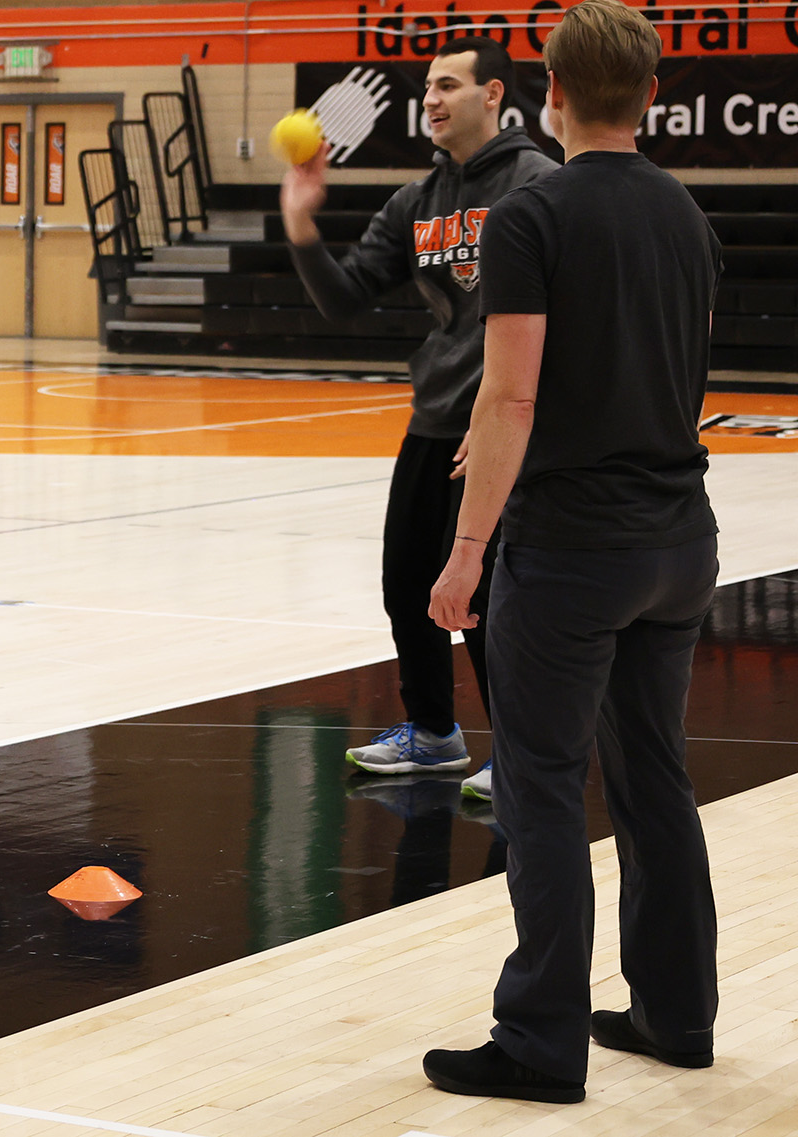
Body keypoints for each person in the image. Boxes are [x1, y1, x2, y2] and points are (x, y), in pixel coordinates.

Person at [423, 0, 720, 1102]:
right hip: (677, 543)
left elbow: (509, 397)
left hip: (570, 551)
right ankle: (675, 1014)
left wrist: (464, 554)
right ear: (649, 93)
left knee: (540, 789)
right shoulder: (686, 218)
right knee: (654, 783)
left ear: (547, 90)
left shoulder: (528, 215)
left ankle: (538, 1040)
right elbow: (645, 376)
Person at [282, 37, 557, 792]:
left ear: (494, 94)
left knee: (489, 600)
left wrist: (512, 409)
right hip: (433, 419)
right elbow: (343, 298)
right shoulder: (416, 201)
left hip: (502, 430)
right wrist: (302, 223)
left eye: (447, 86)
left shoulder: (540, 184)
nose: (430, 100)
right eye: (427, 90)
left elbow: (569, 313)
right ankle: (434, 732)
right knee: (408, 583)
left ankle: (523, 756)